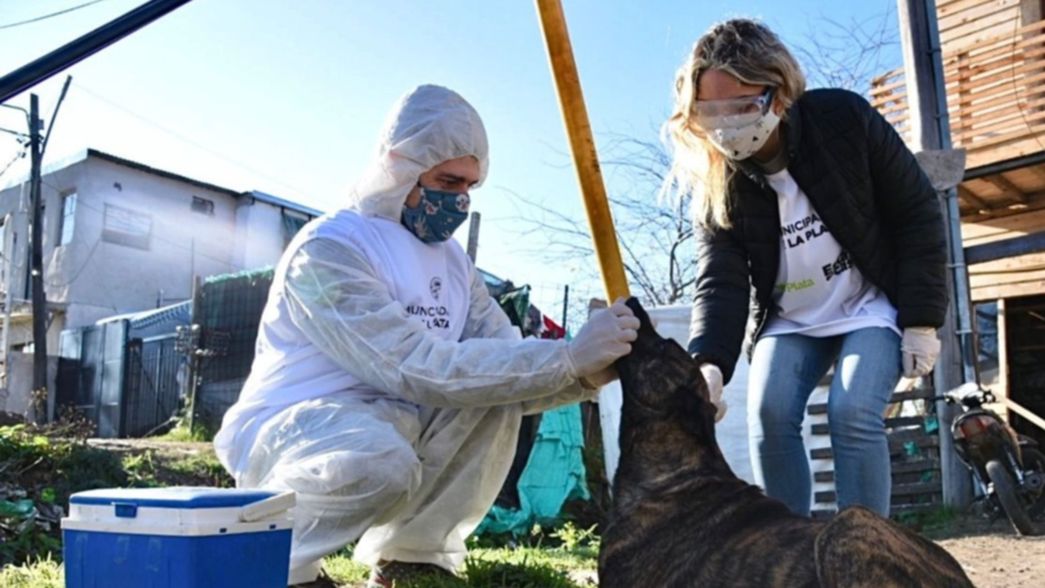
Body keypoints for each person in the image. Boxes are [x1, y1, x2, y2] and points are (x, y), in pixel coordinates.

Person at [213, 84, 639, 587]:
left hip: (395, 421)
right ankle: (276, 564)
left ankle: (413, 557)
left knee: (495, 393)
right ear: (399, 165)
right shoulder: (330, 251)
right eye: (448, 181)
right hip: (299, 429)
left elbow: (507, 361)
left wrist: (590, 372)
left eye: (469, 188)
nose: (458, 201)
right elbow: (412, 366)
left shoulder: (455, 266)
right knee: (378, 460)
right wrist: (569, 357)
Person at [664, 19, 948, 518]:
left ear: (780, 93)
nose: (727, 125)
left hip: (868, 306)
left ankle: (864, 553)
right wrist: (708, 364)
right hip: (791, 318)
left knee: (852, 411)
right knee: (768, 415)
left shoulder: (843, 120)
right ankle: (787, 554)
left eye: (741, 107)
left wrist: (922, 320)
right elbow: (720, 279)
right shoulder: (718, 178)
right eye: (711, 113)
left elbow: (916, 212)